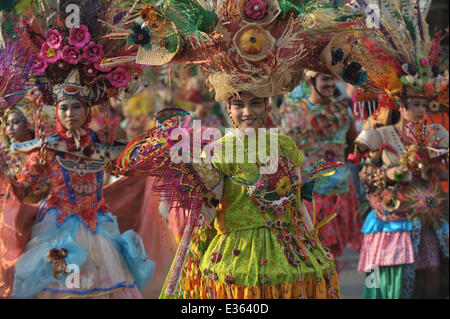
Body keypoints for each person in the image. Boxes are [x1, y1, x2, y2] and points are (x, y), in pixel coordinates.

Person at [354, 0, 449, 298]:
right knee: (393, 277)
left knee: (432, 272)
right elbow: (365, 169)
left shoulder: (435, 132)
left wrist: (429, 165)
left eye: (423, 104)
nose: (420, 110)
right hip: (392, 214)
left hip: (425, 212)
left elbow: (441, 165)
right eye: (414, 104)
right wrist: (392, 172)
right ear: (401, 105)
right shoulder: (380, 132)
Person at [279, 71, 363, 269]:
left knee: (334, 253)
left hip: (338, 190)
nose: (331, 84)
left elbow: (353, 144)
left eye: (332, 79)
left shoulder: (343, 110)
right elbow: (284, 148)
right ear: (310, 81)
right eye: (325, 79)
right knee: (310, 249)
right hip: (308, 192)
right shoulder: (293, 111)